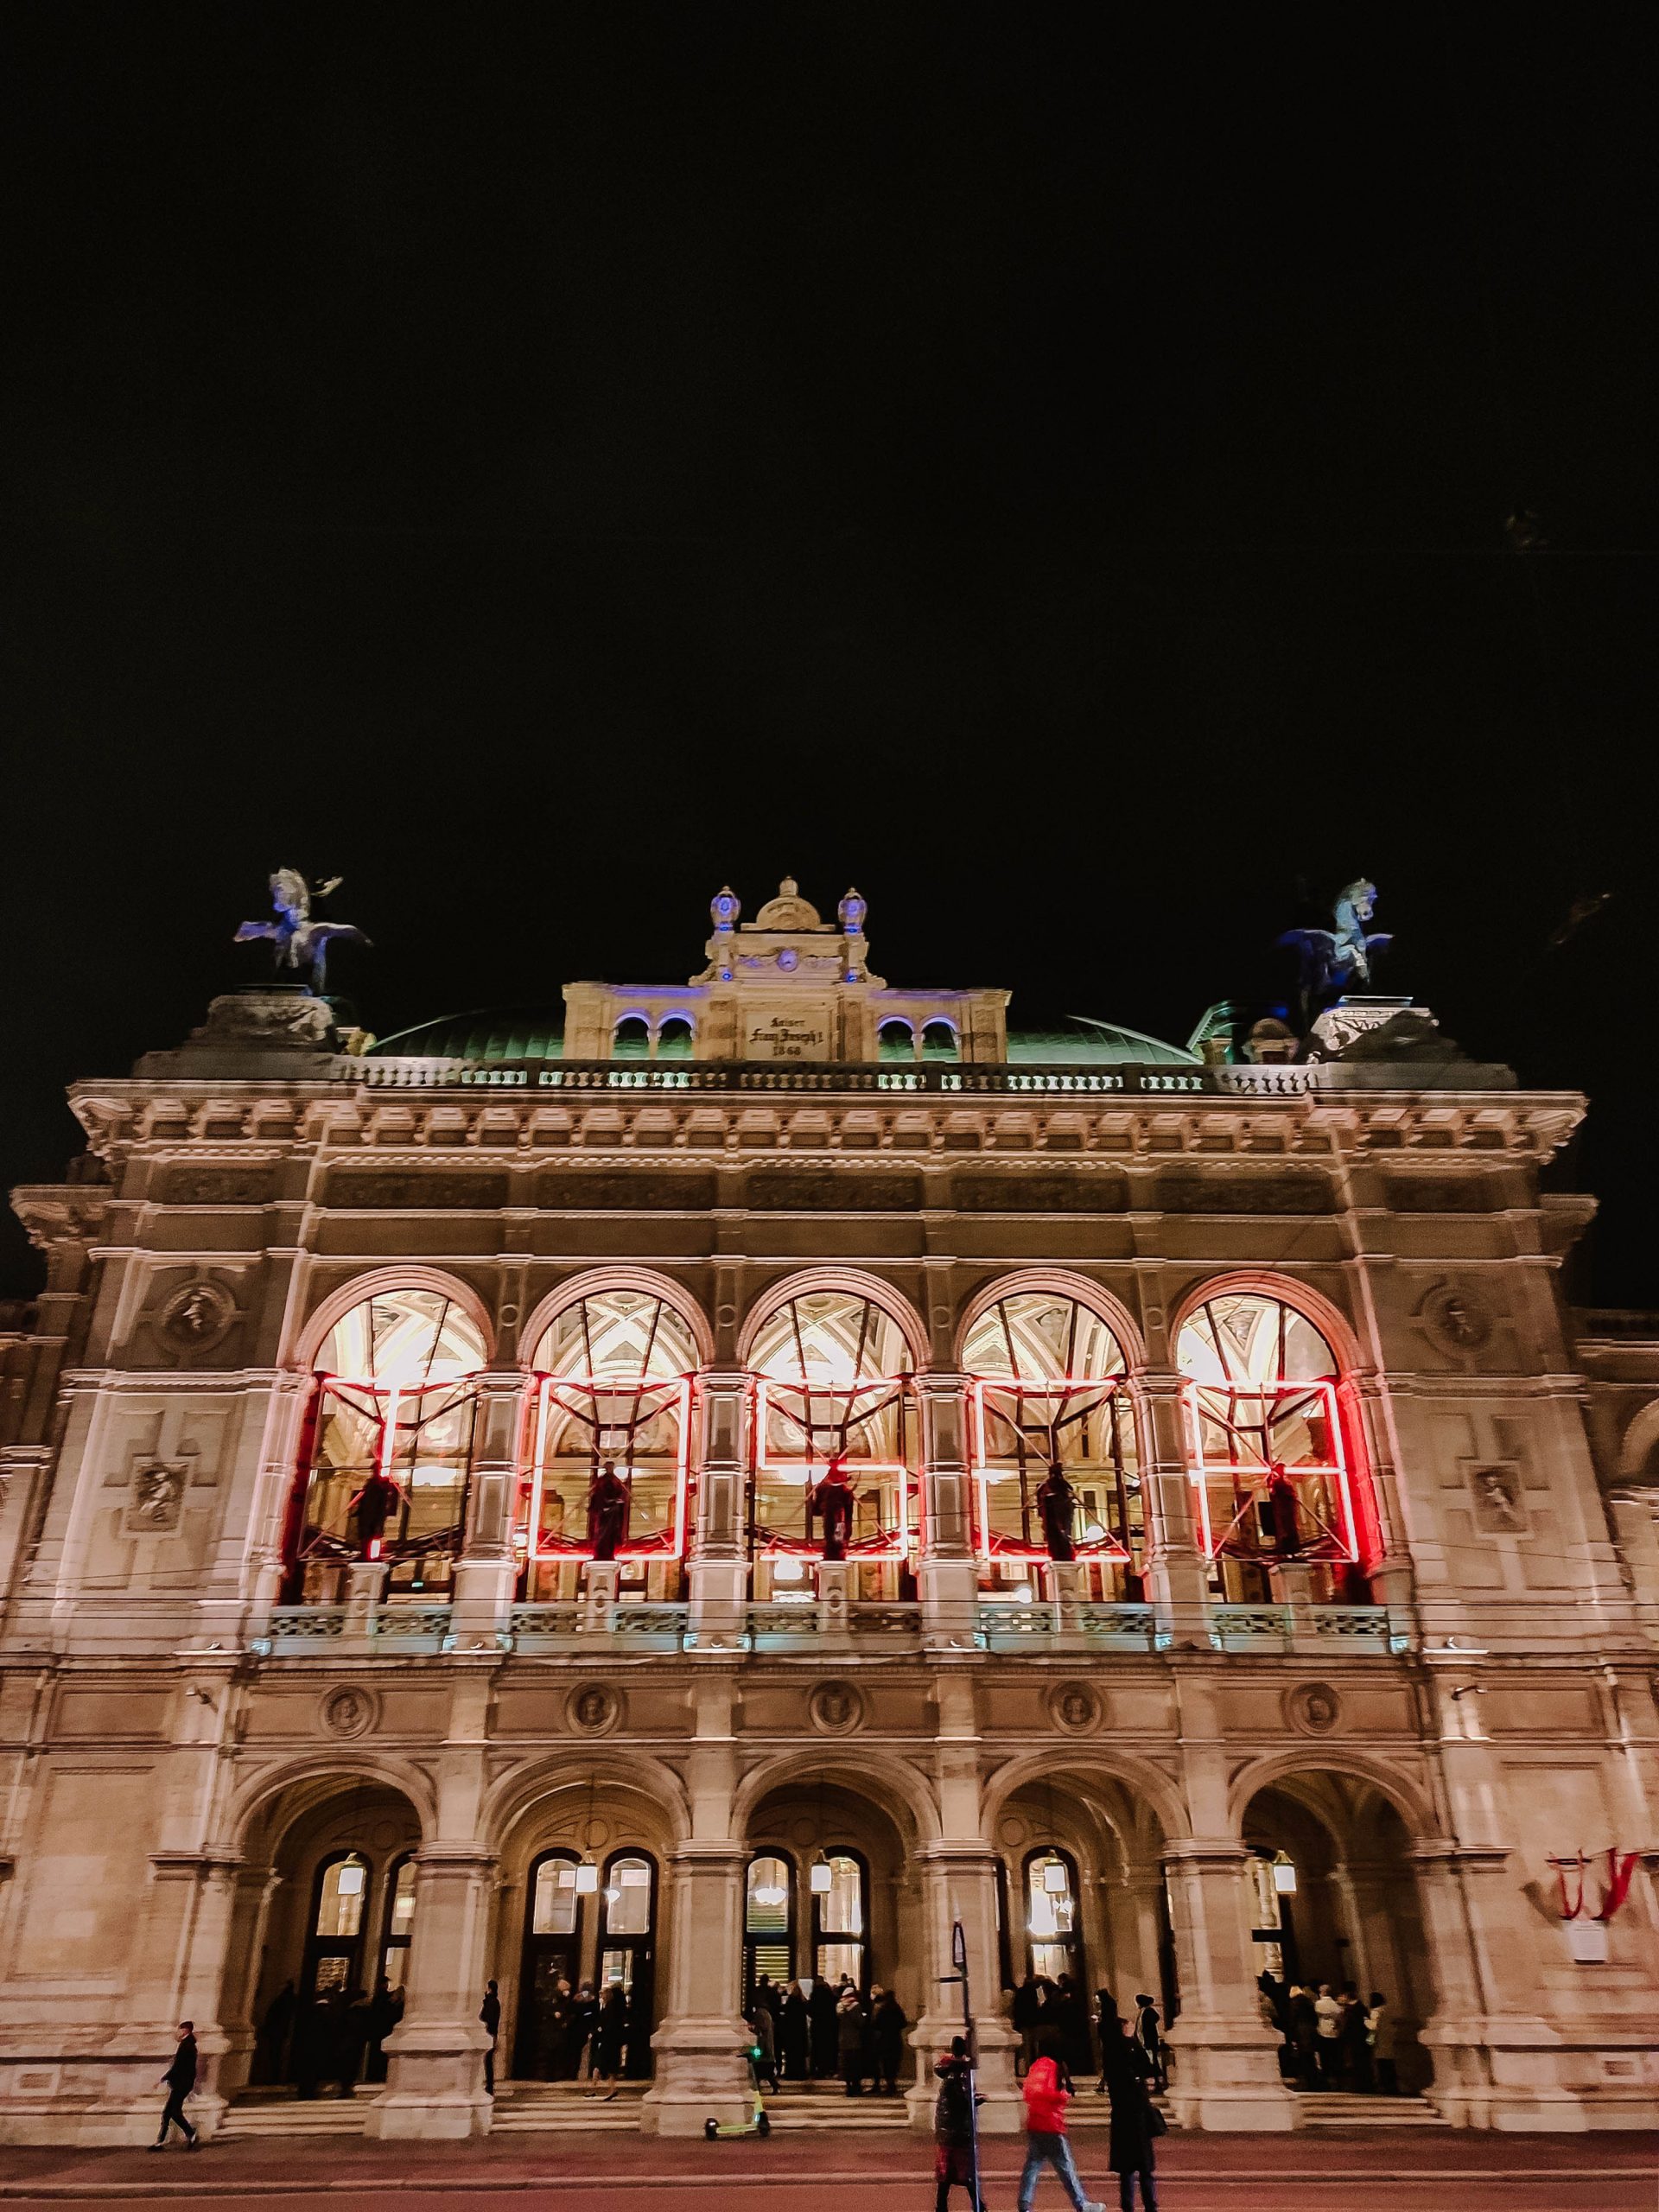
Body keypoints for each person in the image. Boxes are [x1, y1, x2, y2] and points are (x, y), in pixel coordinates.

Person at [1016, 2040, 1103, 2212]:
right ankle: (1081, 2204)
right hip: (1051, 2124)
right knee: (1066, 2167)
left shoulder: (1036, 2066)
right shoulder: (1055, 2067)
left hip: (1035, 2122)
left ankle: (1024, 2204)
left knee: (1032, 2166)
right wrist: (1063, 2096)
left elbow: (1028, 2092)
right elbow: (1051, 2093)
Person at [1099, 2001, 1160, 2212]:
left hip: (1121, 2115)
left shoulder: (1111, 2053)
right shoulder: (1130, 2049)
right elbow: (1148, 2069)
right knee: (1144, 2167)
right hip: (1137, 2114)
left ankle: (1127, 2205)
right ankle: (1150, 2205)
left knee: (1127, 2169)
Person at [934, 2035, 988, 2212]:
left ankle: (942, 2206)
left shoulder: (950, 2072)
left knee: (946, 2174)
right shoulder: (957, 2075)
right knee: (966, 2172)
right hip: (957, 2130)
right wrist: (978, 2100)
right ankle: (978, 2205)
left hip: (946, 2130)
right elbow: (961, 2102)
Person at [150, 2021, 200, 2151]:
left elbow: (178, 2066)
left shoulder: (186, 2045)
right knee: (168, 2113)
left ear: (185, 2030)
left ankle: (191, 2134)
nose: (178, 2032)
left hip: (181, 2084)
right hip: (182, 2084)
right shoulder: (188, 2044)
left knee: (174, 2112)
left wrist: (163, 2079)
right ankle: (160, 2142)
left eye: (180, 2029)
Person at [591, 1980, 629, 2096]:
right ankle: (610, 2088)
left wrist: (599, 2031)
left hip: (608, 2038)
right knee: (611, 2065)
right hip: (615, 2038)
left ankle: (594, 2087)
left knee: (599, 2061)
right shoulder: (620, 2006)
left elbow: (605, 2022)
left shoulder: (610, 2006)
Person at [872, 1984, 908, 2094]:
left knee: (886, 2063)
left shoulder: (882, 2009)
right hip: (895, 2039)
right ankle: (891, 2084)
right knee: (894, 2062)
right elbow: (904, 2023)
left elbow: (876, 2024)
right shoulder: (897, 2008)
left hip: (884, 2039)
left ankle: (888, 2085)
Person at [257, 1980, 295, 2084]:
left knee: (276, 2056)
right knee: (276, 2056)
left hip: (278, 2033)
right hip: (279, 2033)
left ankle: (275, 2078)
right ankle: (275, 2077)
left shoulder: (284, 2000)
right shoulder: (286, 1999)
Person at [1338, 1981, 1370, 2092]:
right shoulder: (1361, 2008)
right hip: (1360, 2038)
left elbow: (1348, 2025)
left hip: (1355, 2038)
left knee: (1358, 2061)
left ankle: (1362, 2085)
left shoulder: (1352, 2010)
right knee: (1361, 2062)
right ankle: (1363, 2084)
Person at [365, 1976, 399, 2083]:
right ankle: (376, 2074)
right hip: (381, 2030)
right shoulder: (382, 1998)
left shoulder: (379, 1998)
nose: (387, 1985)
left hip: (378, 2030)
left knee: (376, 2053)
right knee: (378, 2054)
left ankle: (374, 2074)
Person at [1012, 1974, 1045, 2079]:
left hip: (1024, 2022)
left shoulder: (1020, 1992)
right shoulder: (1036, 1992)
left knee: (1025, 2048)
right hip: (1034, 2022)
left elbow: (1016, 2008)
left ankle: (1026, 2070)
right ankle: (1036, 2068)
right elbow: (1040, 2005)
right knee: (1036, 2046)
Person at [1287, 1985, 1319, 2091]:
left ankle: (1308, 2082)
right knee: (1311, 2057)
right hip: (1310, 2031)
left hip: (1300, 2032)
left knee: (1304, 2058)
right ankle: (1314, 2081)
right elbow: (1315, 2019)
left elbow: (1292, 2020)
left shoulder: (1294, 2003)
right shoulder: (1308, 2002)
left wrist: (1292, 2036)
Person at [836, 1984, 867, 2095]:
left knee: (846, 2066)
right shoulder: (855, 2005)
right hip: (854, 2041)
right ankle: (856, 2088)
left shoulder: (840, 2006)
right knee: (855, 2065)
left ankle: (848, 2087)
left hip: (843, 2040)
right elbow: (860, 2022)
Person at [1132, 1996, 1166, 2094]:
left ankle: (1158, 2085)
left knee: (1153, 2064)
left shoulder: (1148, 2012)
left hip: (1148, 2044)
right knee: (1148, 2064)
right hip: (1143, 2043)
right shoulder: (1142, 2012)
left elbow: (1146, 2028)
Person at [1366, 1992, 1398, 2095]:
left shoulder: (1375, 2012)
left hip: (1379, 2038)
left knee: (1382, 2064)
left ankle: (1384, 2085)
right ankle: (1392, 2085)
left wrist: (1366, 2021)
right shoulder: (1388, 2010)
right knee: (1389, 2062)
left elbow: (1373, 2027)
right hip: (1389, 2037)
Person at [809, 1974, 840, 2079]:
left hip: (818, 2025)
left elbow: (811, 2010)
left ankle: (817, 2069)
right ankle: (827, 2068)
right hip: (829, 2026)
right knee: (827, 2048)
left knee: (817, 2048)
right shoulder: (829, 1993)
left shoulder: (815, 1994)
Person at [1313, 1983, 1341, 2087]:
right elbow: (1339, 2016)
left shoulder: (1319, 2003)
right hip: (1334, 2032)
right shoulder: (1335, 2004)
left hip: (1322, 2032)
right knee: (1334, 2056)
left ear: (1322, 1993)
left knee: (1324, 2057)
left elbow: (1316, 2016)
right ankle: (1335, 2078)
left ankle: (1326, 2078)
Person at [780, 1980, 809, 2080]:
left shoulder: (790, 2002)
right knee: (799, 2056)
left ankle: (791, 2073)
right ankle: (800, 2073)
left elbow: (786, 2017)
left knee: (791, 2055)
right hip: (800, 2034)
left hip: (791, 2034)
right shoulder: (802, 2002)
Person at [480, 1978, 502, 2096]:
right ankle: (489, 2085)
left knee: (488, 2062)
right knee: (488, 2061)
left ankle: (489, 2085)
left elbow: (486, 2018)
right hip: (491, 2034)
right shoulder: (492, 2001)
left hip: (489, 2034)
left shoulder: (492, 2002)